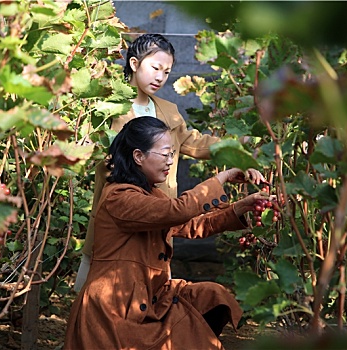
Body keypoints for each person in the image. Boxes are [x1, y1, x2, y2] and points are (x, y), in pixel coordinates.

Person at [74, 33, 265, 291]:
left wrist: (238, 150)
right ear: (133, 64)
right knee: (103, 285)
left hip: (160, 208)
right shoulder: (108, 107)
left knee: (151, 280)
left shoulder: (169, 111)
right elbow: (86, 149)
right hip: (122, 210)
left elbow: (195, 143)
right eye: (155, 68)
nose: (160, 77)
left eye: (166, 72)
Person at [64, 117, 273, 349]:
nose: (170, 162)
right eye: (165, 155)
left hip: (149, 299)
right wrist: (221, 178)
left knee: (210, 296)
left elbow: (191, 224)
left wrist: (240, 208)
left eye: (173, 155)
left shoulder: (150, 195)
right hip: (115, 310)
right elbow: (178, 211)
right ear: (138, 156)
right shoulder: (119, 197)